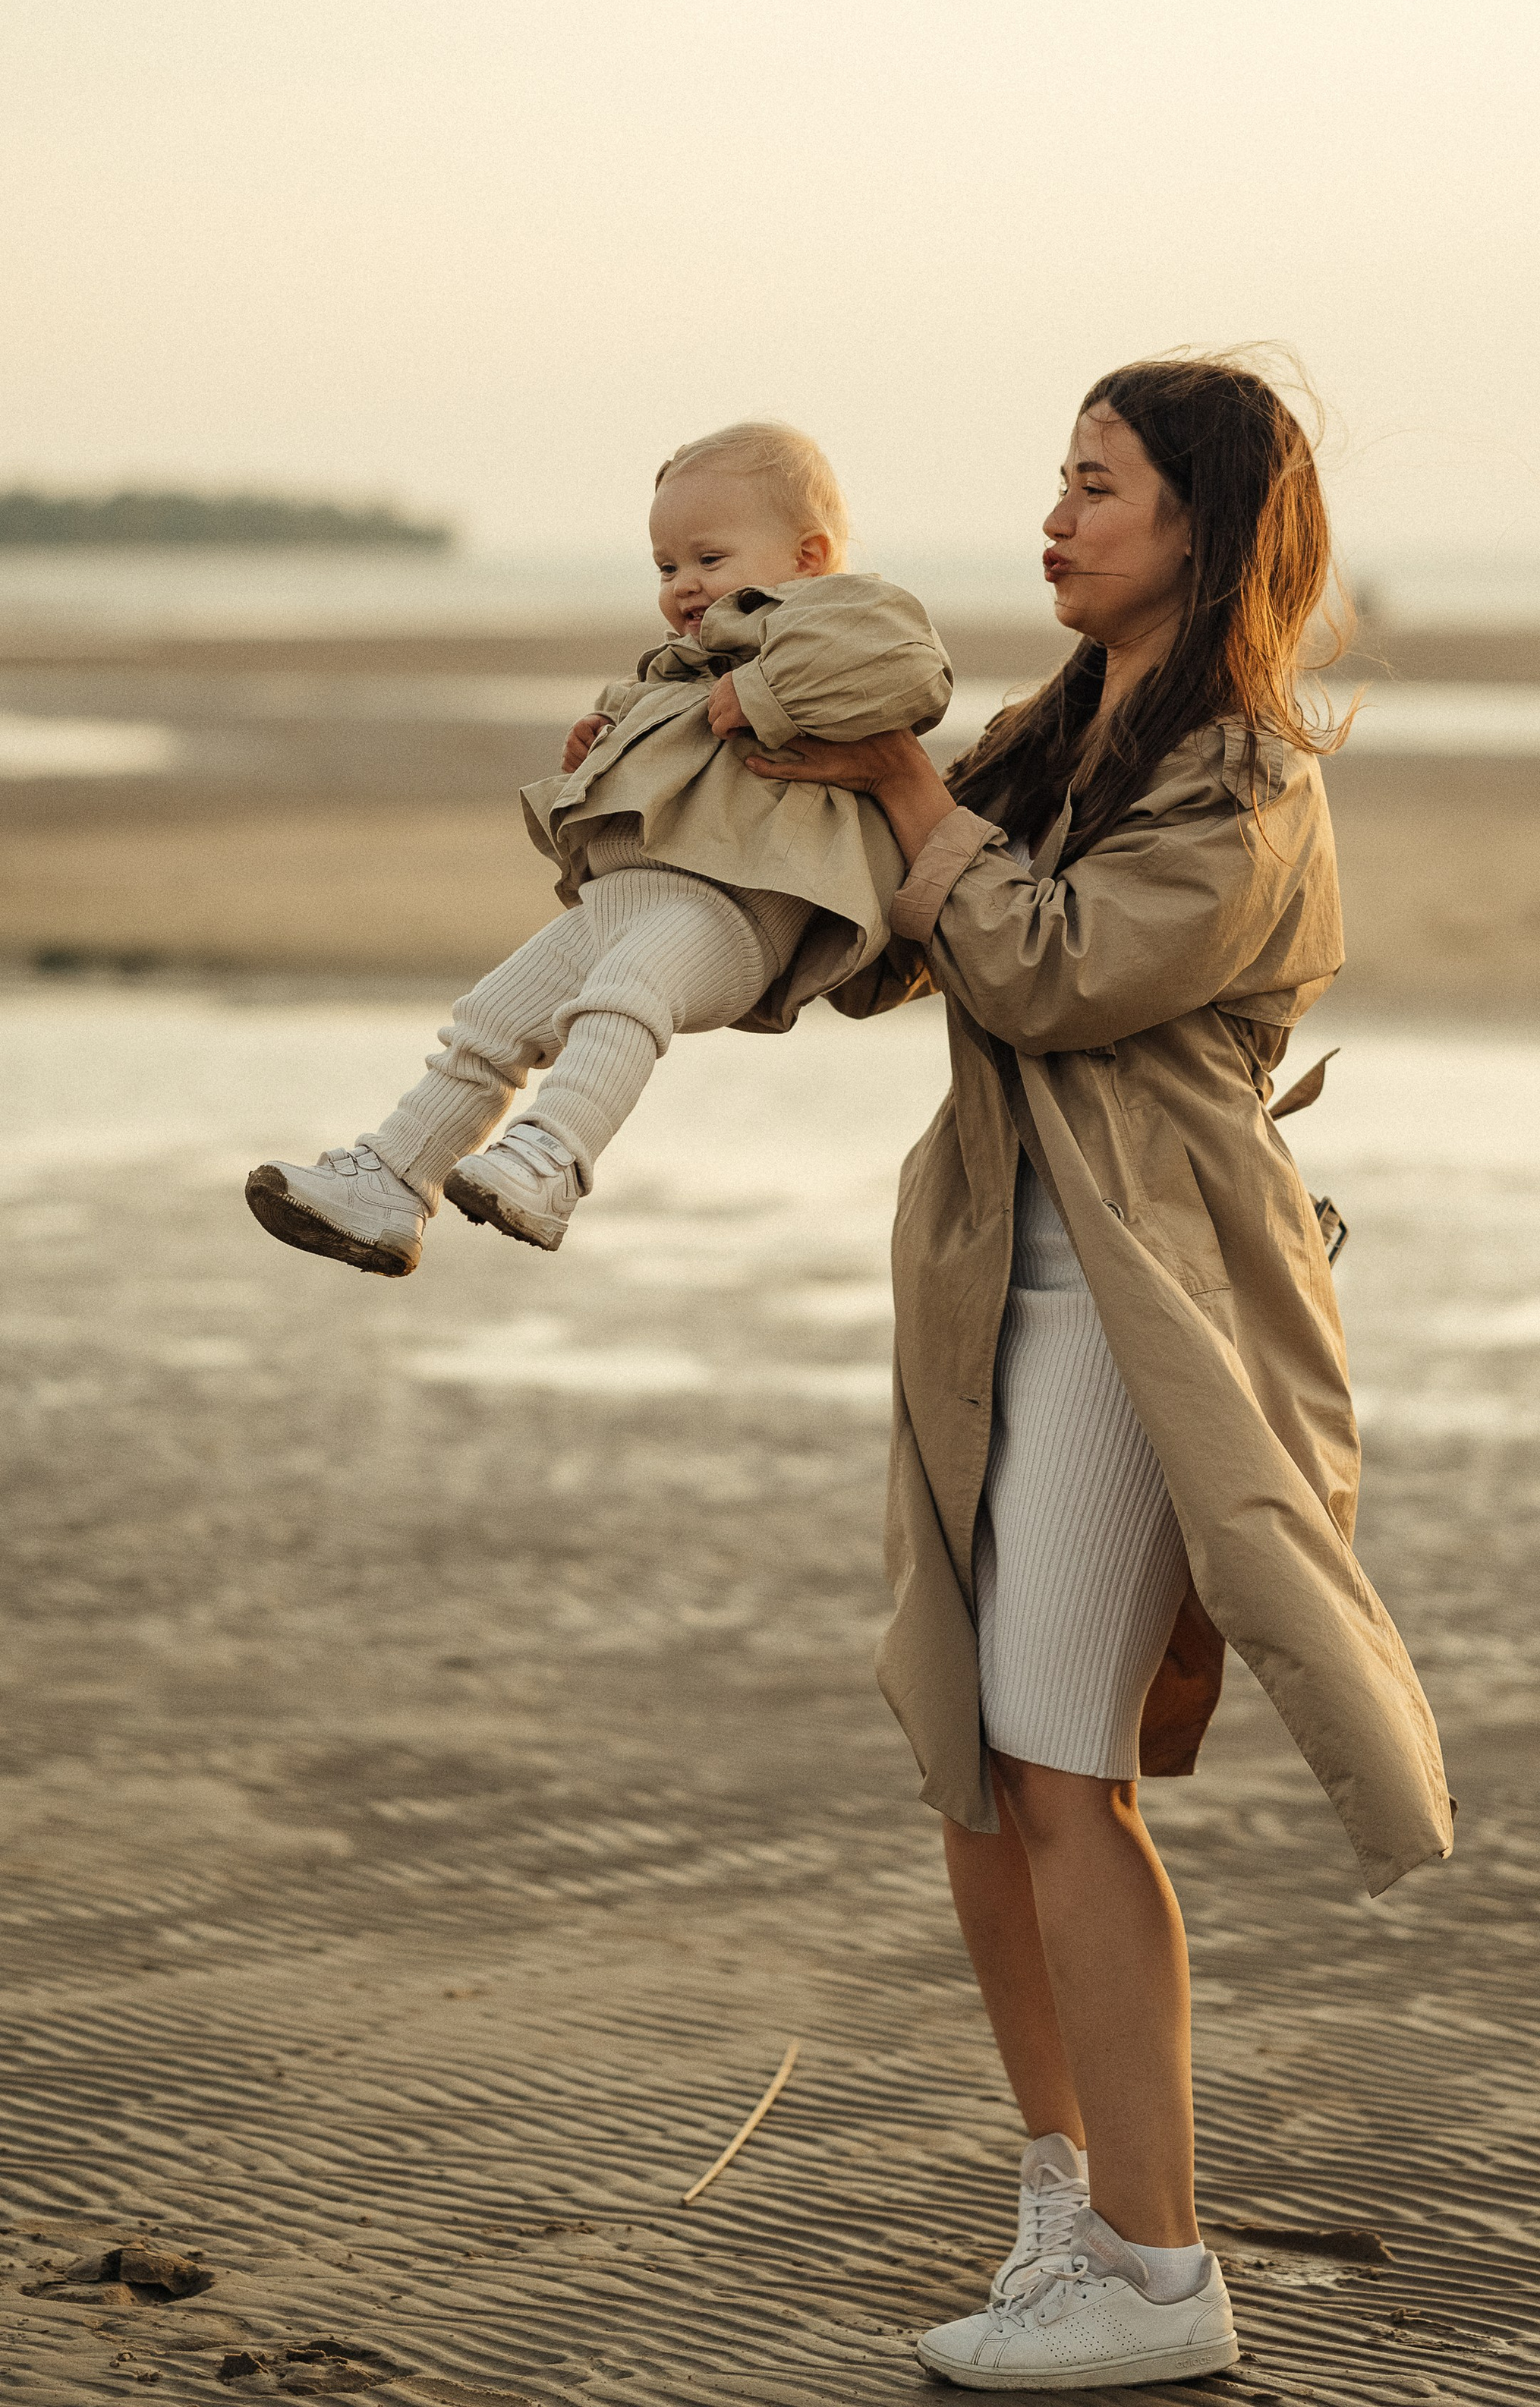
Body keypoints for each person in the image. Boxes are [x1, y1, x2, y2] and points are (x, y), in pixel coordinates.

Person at [740, 355, 1455, 2391]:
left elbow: (1053, 964)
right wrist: (693, 785)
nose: (1055, 520)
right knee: (981, 1762)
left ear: (1202, 530)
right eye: (1056, 482)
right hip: (995, 1279)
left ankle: (1160, 2277)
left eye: (1098, 487)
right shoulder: (1056, 735)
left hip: (1160, 1304)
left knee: (1067, 1764)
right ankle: (1064, 2214)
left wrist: (901, 796)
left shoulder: (1248, 776)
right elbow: (883, 953)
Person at [244, 421, 952, 1273]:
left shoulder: (844, 612)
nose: (685, 584)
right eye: (666, 567)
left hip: (737, 909)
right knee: (493, 1017)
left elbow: (907, 670)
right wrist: (603, 754)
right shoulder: (679, 669)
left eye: (709, 559)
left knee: (627, 993)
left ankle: (552, 1158)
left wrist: (764, 688)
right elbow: (676, 759)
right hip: (633, 892)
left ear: (808, 555)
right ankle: (393, 1179)